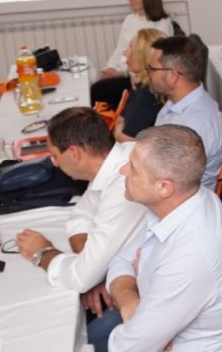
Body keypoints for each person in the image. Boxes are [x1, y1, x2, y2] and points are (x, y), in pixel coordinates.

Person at [91, 125, 222, 351]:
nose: (122, 170)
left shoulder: (191, 255)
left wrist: (134, 286)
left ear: (164, 187)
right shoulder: (186, 201)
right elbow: (120, 260)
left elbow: (130, 348)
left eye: (133, 167)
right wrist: (132, 306)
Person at [14, 108, 147, 315]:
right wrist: (92, 265)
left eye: (55, 156)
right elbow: (80, 216)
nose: (54, 163)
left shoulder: (124, 184)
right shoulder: (114, 161)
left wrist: (43, 253)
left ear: (74, 153)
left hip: (143, 294)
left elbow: (80, 278)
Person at [148, 35, 222, 191]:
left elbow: (172, 183)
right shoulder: (176, 104)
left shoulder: (195, 124)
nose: (148, 73)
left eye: (152, 69)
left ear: (173, 75)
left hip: (178, 198)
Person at [91, 0, 174, 108]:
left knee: (98, 90)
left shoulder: (162, 24)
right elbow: (120, 48)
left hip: (143, 78)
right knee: (98, 87)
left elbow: (151, 60)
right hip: (126, 72)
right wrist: (110, 67)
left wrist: (120, 73)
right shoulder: (130, 19)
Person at [112, 28, 167, 143]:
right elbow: (120, 120)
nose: (125, 53)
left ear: (143, 56)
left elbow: (127, 139)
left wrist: (118, 134)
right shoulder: (140, 84)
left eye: (131, 48)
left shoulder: (148, 94)